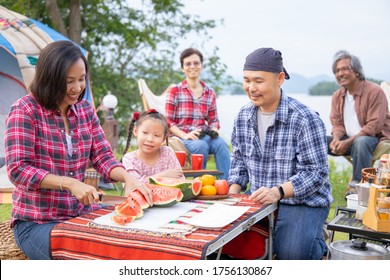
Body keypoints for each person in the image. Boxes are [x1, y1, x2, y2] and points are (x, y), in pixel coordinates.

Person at [4, 40, 152, 260]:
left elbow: (103, 157)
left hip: (79, 214)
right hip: (37, 223)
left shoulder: (85, 110)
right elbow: (18, 169)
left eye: (82, 79)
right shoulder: (25, 110)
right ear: (49, 79)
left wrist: (127, 178)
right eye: (68, 81)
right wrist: (69, 183)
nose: (77, 88)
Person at [228, 47, 333, 260]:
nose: (251, 88)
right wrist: (233, 192)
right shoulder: (242, 116)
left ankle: (317, 241)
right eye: (247, 80)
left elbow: (316, 173)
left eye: (259, 81)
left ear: (280, 78)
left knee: (290, 253)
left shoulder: (305, 119)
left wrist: (278, 192)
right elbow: (238, 161)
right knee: (230, 245)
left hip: (303, 201)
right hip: (259, 199)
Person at [327, 50, 390, 193]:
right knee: (317, 140)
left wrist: (347, 142)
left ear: (356, 71)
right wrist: (336, 139)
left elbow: (374, 126)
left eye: (344, 68)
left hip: (376, 140)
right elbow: (337, 124)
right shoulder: (337, 96)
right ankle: (315, 182)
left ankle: (357, 187)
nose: (340, 73)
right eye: (336, 71)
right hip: (348, 141)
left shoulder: (374, 91)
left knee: (360, 142)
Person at [165, 48, 230, 179]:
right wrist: (186, 135)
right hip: (182, 138)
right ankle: (200, 184)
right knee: (200, 146)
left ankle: (227, 184)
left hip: (203, 135)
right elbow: (168, 122)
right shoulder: (175, 91)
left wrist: (214, 129)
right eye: (188, 64)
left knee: (221, 144)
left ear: (201, 66)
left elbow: (214, 120)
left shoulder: (209, 92)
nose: (192, 67)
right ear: (183, 68)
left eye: (196, 63)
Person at [121, 109, 184, 183]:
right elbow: (134, 184)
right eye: (145, 132)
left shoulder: (167, 153)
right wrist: (164, 175)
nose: (150, 139)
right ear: (135, 131)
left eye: (157, 135)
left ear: (163, 138)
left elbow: (180, 180)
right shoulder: (129, 159)